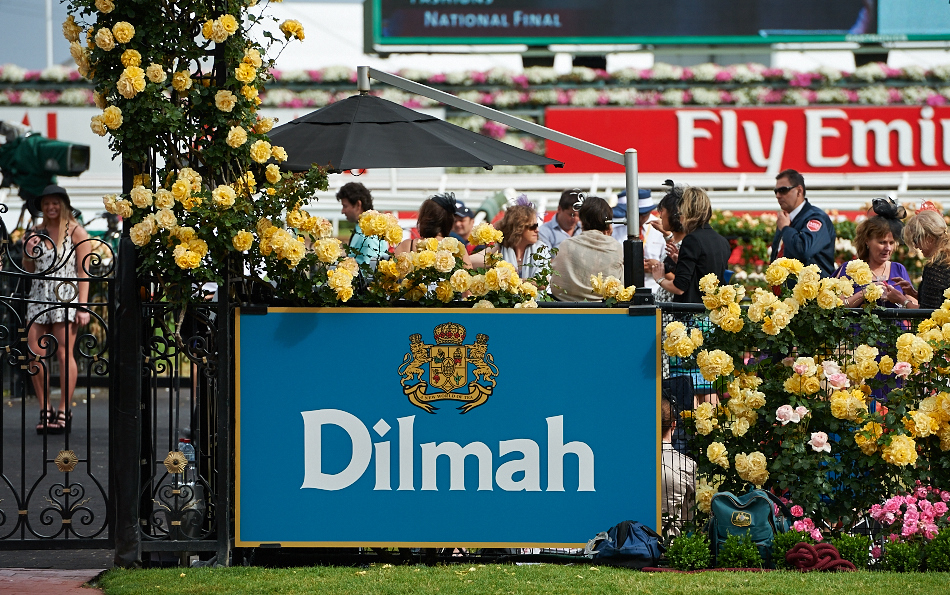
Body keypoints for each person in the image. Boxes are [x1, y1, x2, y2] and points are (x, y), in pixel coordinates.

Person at [23, 185, 91, 434]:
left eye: (55, 203)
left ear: (64, 205)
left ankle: (64, 409)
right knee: (35, 354)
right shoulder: (36, 232)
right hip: (38, 298)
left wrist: (82, 306)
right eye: (46, 203)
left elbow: (84, 273)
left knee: (64, 354)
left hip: (65, 298)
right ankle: (45, 409)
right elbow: (29, 269)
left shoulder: (76, 232)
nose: (51, 207)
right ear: (41, 207)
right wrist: (29, 250)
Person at [650, 186, 731, 304]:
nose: (679, 217)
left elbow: (679, 288)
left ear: (688, 213)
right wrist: (681, 261)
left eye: (681, 212)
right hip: (710, 312)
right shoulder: (721, 241)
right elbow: (706, 272)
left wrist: (659, 278)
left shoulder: (692, 239)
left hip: (692, 313)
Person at [837, 201, 911, 308]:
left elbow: (915, 306)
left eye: (891, 243)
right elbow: (838, 306)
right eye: (882, 242)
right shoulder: (850, 269)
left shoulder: (899, 269)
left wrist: (899, 298)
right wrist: (864, 293)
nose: (888, 248)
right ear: (867, 241)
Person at [550, 196, 623, 301]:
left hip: (566, 309)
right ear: (608, 223)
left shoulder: (566, 245)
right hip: (604, 311)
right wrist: (607, 238)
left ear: (582, 220)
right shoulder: (615, 247)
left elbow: (557, 285)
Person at [770, 168, 835, 276]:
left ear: (799, 191)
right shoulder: (786, 219)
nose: (778, 195)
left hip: (814, 290)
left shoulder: (816, 217)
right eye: (776, 191)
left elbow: (804, 250)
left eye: (783, 190)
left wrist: (786, 229)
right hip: (787, 291)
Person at [884, 204, 950, 309]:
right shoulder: (945, 260)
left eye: (915, 239)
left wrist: (901, 300)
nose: (915, 245)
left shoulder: (935, 266)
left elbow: (928, 313)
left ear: (929, 238)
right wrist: (913, 293)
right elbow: (938, 302)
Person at [394, 193, 474, 268]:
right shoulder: (457, 248)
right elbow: (468, 278)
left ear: (423, 219)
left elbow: (391, 276)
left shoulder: (407, 245)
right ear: (449, 221)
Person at [645, 184, 687, 302]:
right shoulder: (678, 241)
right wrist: (667, 234)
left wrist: (659, 271)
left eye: (662, 211)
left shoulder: (688, 245)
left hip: (672, 311)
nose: (660, 215)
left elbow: (682, 283)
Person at [661, 398, 695, 538]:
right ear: (674, 425)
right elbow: (689, 517)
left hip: (631, 543)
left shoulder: (631, 465)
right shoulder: (687, 465)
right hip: (670, 544)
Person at [489, 204, 548, 280]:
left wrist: (511, 281)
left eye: (537, 225)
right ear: (518, 228)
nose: (537, 230)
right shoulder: (500, 249)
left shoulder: (541, 250)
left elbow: (542, 283)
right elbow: (470, 263)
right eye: (532, 227)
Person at [336, 181, 387, 265]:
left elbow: (371, 271)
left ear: (358, 205)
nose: (343, 211)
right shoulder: (363, 229)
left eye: (345, 206)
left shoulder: (370, 233)